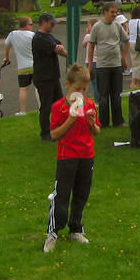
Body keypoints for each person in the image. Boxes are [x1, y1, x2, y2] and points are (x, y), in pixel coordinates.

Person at [44, 62, 99, 253]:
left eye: (85, 89)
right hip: (67, 157)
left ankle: (76, 228)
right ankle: (53, 233)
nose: (81, 93)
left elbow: (97, 131)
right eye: (78, 89)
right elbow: (54, 134)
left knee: (82, 194)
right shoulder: (58, 107)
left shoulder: (90, 104)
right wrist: (71, 118)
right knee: (62, 196)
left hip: (86, 156)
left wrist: (92, 124)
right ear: (68, 85)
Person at [87, 1, 129, 128]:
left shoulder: (117, 26)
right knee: (103, 96)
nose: (115, 14)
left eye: (116, 12)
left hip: (116, 64)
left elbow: (126, 41)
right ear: (105, 12)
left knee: (116, 94)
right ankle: (104, 122)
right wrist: (90, 65)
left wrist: (124, 57)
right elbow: (91, 45)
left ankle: (118, 121)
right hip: (102, 66)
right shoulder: (97, 27)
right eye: (112, 12)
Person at [32, 12, 68, 141]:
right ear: (44, 22)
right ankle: (46, 133)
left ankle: (59, 129)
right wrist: (59, 49)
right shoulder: (39, 38)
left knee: (59, 104)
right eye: (51, 23)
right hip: (43, 77)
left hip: (53, 76)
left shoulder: (49, 36)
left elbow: (60, 47)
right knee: (46, 107)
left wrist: (60, 49)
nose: (53, 26)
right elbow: (57, 49)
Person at [3, 16, 36, 115]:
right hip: (35, 65)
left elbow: (7, 46)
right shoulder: (33, 35)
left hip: (22, 67)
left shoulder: (13, 34)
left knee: (23, 89)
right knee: (38, 88)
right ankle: (41, 109)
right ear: (26, 25)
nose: (32, 26)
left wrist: (7, 58)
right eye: (31, 24)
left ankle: (23, 111)